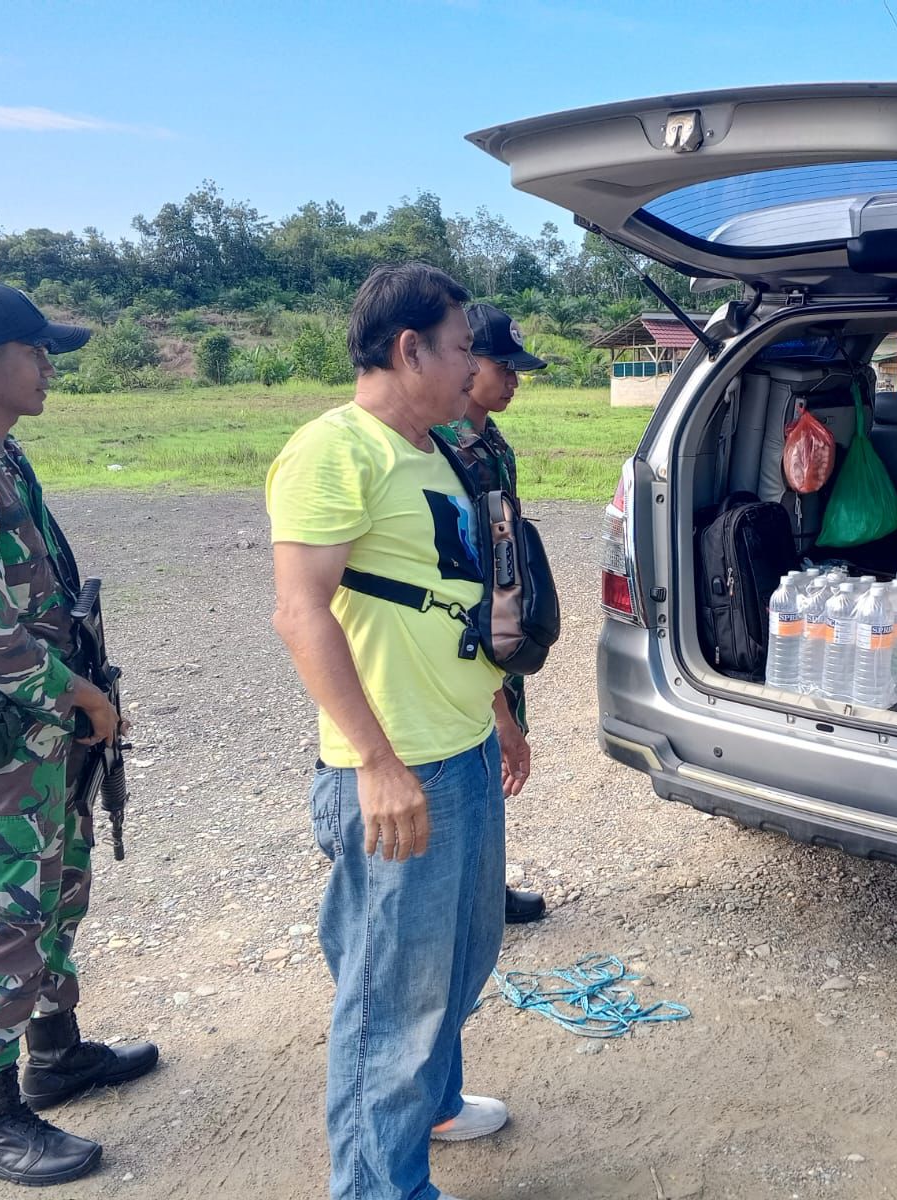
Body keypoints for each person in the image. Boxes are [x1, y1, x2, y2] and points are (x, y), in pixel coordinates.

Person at [0, 282, 159, 1186]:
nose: (49, 365)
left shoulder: (0, 457)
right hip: (12, 735)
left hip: (46, 733)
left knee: (56, 890)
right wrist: (86, 696)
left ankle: (54, 1054)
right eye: (36, 349)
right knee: (1, 915)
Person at [267, 263, 519, 1200]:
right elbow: (302, 613)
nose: (473, 368)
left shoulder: (435, 451)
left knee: (464, 954)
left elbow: (449, 598)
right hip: (398, 762)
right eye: (461, 350)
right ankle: (378, 1188)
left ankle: (437, 1104)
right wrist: (374, 760)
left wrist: (498, 713)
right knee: (391, 998)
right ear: (408, 349)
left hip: (461, 746)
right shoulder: (335, 449)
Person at [434, 302, 549, 925]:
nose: (512, 380)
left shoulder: (491, 440)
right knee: (475, 755)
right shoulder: (442, 445)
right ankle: (469, 897)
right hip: (470, 625)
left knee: (497, 763)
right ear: (464, 359)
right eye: (502, 366)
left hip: (503, 624)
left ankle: (486, 885)